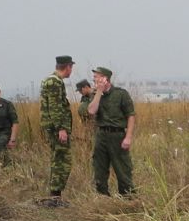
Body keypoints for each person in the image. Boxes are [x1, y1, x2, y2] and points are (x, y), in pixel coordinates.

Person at [86, 66, 137, 196]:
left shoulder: (121, 94)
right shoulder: (95, 95)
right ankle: (103, 197)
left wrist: (128, 137)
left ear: (105, 78)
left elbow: (131, 115)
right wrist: (99, 92)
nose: (94, 79)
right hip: (101, 135)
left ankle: (128, 198)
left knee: (122, 169)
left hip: (118, 135)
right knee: (100, 168)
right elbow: (91, 111)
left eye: (97, 77)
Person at [40, 56, 75, 203]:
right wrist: (61, 128)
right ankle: (55, 196)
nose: (71, 71)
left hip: (53, 127)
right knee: (62, 161)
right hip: (57, 129)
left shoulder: (52, 80)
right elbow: (55, 107)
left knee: (59, 159)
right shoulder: (54, 82)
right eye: (71, 67)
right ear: (67, 67)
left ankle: (55, 196)